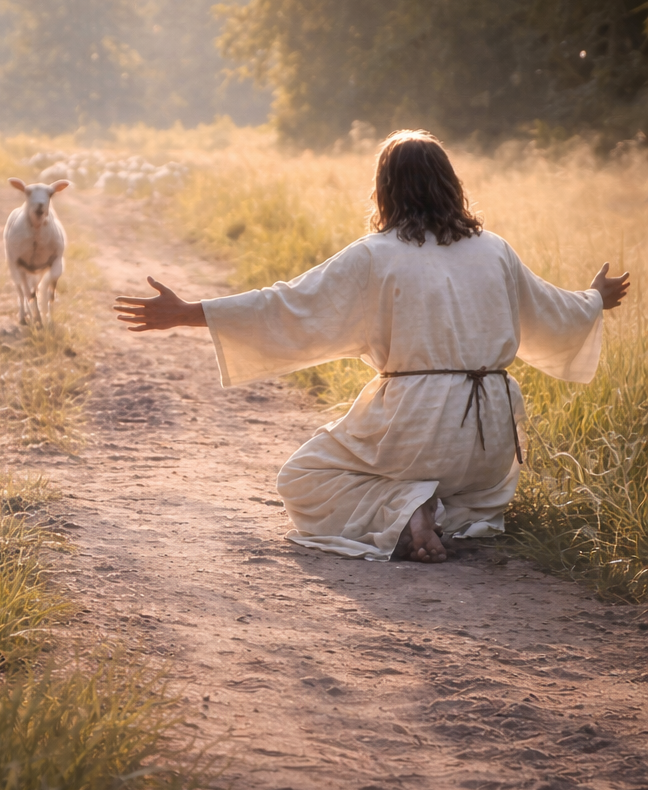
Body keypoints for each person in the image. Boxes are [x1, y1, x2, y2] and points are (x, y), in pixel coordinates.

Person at [114, 130, 630, 564]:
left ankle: (407, 509)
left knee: (302, 478)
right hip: (491, 432)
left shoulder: (375, 255)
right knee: (473, 503)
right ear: (452, 185)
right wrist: (594, 298)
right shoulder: (496, 250)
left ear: (385, 190)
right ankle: (436, 509)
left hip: (419, 423)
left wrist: (187, 313)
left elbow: (287, 306)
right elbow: (552, 310)